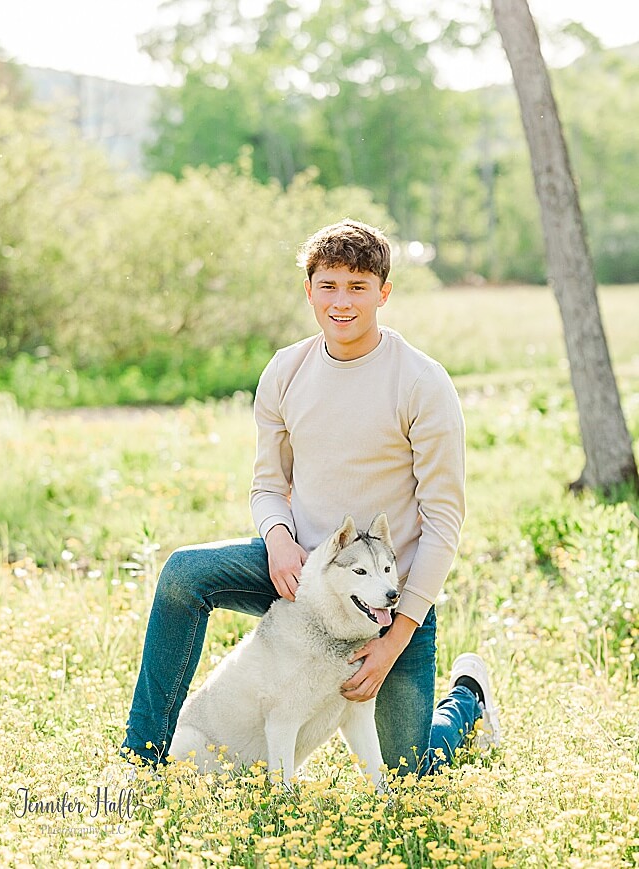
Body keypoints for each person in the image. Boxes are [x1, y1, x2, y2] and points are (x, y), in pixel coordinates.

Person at [119, 219, 500, 779]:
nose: (341, 302)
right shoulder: (286, 370)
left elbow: (444, 522)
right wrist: (277, 539)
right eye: (329, 285)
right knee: (183, 573)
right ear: (309, 290)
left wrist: (395, 638)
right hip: (299, 574)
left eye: (358, 286)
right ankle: (141, 760)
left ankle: (468, 702)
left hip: (383, 597)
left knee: (406, 772)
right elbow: (268, 485)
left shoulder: (421, 382)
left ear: (383, 293)